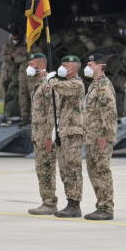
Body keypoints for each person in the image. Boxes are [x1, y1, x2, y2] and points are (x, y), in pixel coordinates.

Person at [48, 56, 86, 218]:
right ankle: (69, 201)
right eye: (61, 64)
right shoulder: (64, 83)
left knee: (73, 169)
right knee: (64, 169)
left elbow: (60, 87)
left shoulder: (76, 84)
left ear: (73, 68)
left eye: (65, 65)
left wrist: (50, 80)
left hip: (73, 132)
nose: (61, 67)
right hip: (64, 131)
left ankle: (74, 204)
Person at [83, 54, 118, 220]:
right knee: (93, 171)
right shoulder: (94, 85)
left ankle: (106, 208)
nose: (88, 67)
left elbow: (109, 113)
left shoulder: (103, 86)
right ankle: (101, 204)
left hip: (100, 137)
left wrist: (105, 135)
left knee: (102, 171)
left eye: (91, 64)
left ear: (100, 66)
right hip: (92, 137)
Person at [26, 53, 58, 215]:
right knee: (41, 169)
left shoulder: (47, 85)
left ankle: (49, 202)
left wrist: (48, 137)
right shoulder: (38, 84)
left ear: (39, 66)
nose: (29, 67)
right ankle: (46, 200)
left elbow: (52, 112)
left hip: (44, 136)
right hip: (37, 135)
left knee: (46, 168)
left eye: (31, 64)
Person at [0, 33, 26, 119]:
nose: (15, 39)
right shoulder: (6, 46)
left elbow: (23, 58)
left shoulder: (23, 46)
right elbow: (1, 57)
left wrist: (17, 58)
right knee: (6, 93)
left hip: (17, 73)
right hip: (6, 74)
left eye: (16, 37)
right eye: (13, 36)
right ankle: (7, 112)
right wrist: (10, 57)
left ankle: (18, 112)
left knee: (18, 93)